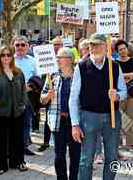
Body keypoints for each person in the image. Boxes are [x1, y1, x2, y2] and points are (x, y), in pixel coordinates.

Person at [69, 33, 127, 180]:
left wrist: (118, 96)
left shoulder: (114, 66)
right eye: (91, 45)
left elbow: (124, 91)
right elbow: (73, 97)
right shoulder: (81, 67)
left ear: (105, 47)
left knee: (112, 158)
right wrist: (75, 124)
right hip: (88, 117)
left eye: (97, 45)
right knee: (86, 159)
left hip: (112, 117)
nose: (94, 48)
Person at [40, 48, 81, 180]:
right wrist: (47, 96)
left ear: (70, 60)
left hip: (75, 122)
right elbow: (42, 99)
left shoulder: (78, 75)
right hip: (58, 120)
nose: (57, 59)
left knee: (75, 154)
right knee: (59, 154)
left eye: (60, 57)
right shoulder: (51, 76)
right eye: (56, 57)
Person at [0, 46, 28, 174]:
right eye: (3, 55)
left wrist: (23, 104)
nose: (6, 57)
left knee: (18, 138)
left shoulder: (18, 72)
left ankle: (18, 162)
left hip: (17, 111)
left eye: (8, 55)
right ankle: (0, 165)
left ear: (12, 57)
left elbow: (23, 90)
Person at [13, 36, 39, 156]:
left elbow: (38, 78)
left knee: (26, 122)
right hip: (12, 97)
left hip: (27, 96)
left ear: (28, 46)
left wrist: (32, 86)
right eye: (17, 45)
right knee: (14, 123)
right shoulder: (9, 60)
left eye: (23, 45)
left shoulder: (33, 61)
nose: (20, 47)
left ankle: (24, 147)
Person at [115, 39, 133, 149]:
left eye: (124, 48)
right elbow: (116, 77)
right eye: (120, 50)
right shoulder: (115, 63)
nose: (123, 51)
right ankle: (118, 141)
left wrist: (124, 76)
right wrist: (128, 76)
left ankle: (132, 142)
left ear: (127, 49)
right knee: (120, 116)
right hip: (120, 93)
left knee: (131, 117)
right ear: (117, 51)